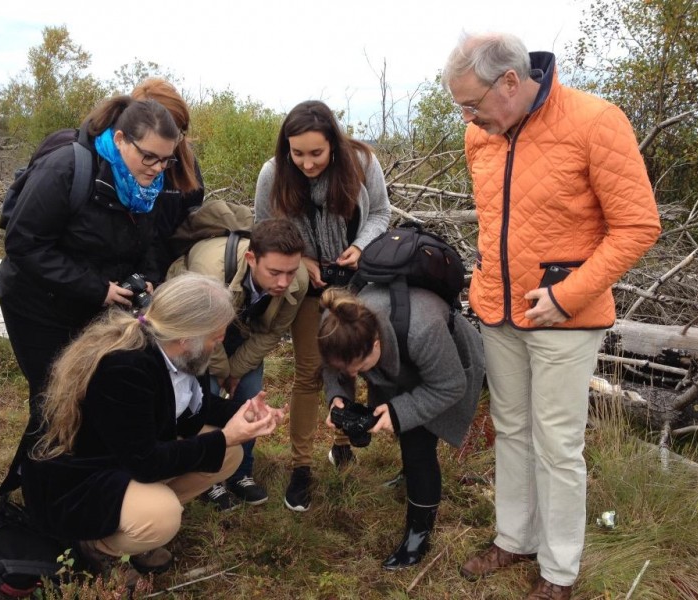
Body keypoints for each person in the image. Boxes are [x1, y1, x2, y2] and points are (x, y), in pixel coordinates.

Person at [441, 32, 661, 599]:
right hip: (497, 310)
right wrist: (484, 279)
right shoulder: (479, 136)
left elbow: (638, 226)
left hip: (566, 315)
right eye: (461, 106)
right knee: (511, 429)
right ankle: (515, 537)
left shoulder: (596, 121)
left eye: (472, 103)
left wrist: (568, 294)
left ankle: (559, 571)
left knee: (558, 444)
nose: (467, 116)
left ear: (510, 82)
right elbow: (496, 222)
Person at [21, 272, 285, 584]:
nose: (220, 342)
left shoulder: (180, 352)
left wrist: (242, 412)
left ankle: (133, 525)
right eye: (216, 336)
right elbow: (146, 462)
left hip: (120, 462)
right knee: (163, 514)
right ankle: (96, 544)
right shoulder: (125, 368)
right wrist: (226, 435)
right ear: (188, 335)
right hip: (76, 483)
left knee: (229, 454)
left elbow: (193, 404)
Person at [0, 96, 182, 494]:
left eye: (167, 160)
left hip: (96, 303)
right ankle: (42, 496)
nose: (157, 169)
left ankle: (76, 485)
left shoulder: (145, 186)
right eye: (149, 157)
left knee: (93, 393)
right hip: (37, 304)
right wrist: (97, 289)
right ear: (120, 139)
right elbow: (24, 244)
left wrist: (148, 277)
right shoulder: (66, 168)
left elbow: (150, 242)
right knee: (53, 399)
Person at [254, 100, 391, 512]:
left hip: (357, 281)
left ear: (333, 142)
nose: (307, 163)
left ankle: (343, 443)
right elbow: (263, 229)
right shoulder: (273, 174)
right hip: (307, 285)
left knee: (350, 362)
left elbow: (381, 214)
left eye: (316, 153)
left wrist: (358, 247)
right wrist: (304, 262)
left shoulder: (363, 163)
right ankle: (300, 468)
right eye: (298, 153)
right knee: (309, 371)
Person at [317, 287, 484, 569]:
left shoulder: (424, 330)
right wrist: (338, 398)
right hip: (402, 358)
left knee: (418, 445)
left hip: (448, 364)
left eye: (360, 367)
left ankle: (418, 534)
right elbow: (333, 368)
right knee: (407, 433)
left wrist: (398, 411)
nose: (355, 376)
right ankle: (409, 476)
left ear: (376, 343)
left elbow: (451, 384)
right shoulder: (335, 322)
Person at [171, 216, 308, 510]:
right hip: (197, 330)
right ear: (251, 258)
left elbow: (272, 332)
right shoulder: (209, 270)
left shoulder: (299, 279)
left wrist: (236, 371)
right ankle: (208, 477)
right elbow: (203, 331)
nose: (284, 282)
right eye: (274, 272)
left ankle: (240, 473)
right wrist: (222, 372)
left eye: (290, 272)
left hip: (245, 328)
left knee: (250, 395)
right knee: (203, 399)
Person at [131, 78, 206, 275]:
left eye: (177, 131)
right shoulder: (114, 165)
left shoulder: (185, 164)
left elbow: (189, 225)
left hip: (167, 275)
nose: (171, 142)